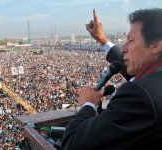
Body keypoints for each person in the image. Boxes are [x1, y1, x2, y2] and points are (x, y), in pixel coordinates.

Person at [62, 8, 162, 150]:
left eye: (131, 40)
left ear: (156, 45)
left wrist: (88, 105)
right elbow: (134, 71)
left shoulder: (140, 94)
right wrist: (102, 39)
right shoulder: (154, 78)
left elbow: (74, 144)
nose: (123, 48)